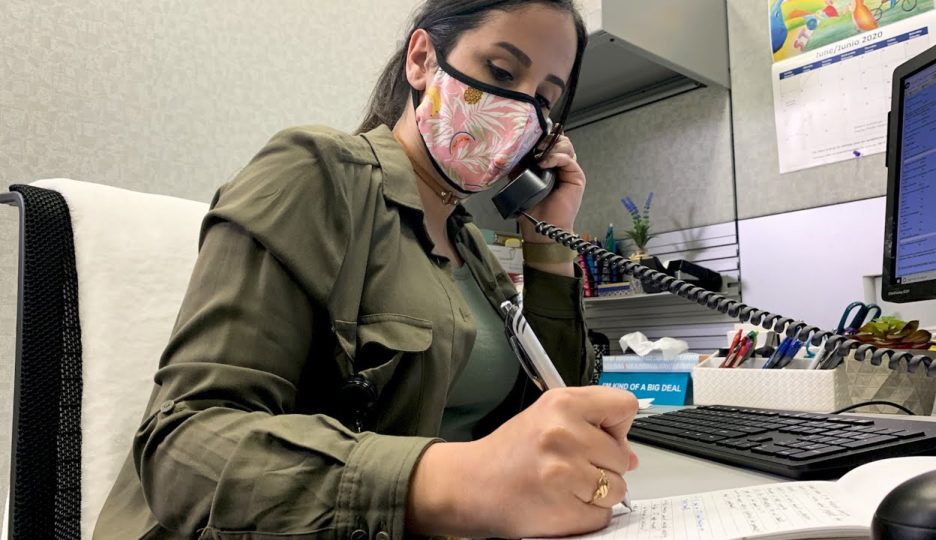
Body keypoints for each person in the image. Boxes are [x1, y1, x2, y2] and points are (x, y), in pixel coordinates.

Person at [94, 1, 639, 538]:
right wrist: (449, 482)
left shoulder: (471, 248)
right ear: (422, 59)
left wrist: (547, 241)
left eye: (544, 99)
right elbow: (181, 448)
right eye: (500, 71)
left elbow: (554, 409)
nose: (520, 111)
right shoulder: (314, 173)